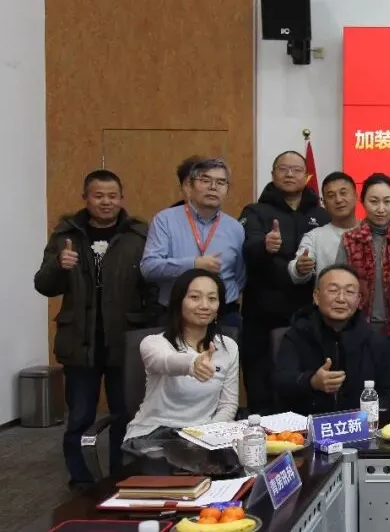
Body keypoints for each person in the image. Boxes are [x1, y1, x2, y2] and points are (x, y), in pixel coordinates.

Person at [34, 170, 158, 488]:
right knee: (80, 416)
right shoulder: (66, 235)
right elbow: (44, 285)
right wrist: (58, 266)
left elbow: (152, 287)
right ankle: (82, 480)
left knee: (126, 414)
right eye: (98, 195)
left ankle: (120, 476)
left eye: (112, 195)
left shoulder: (138, 236)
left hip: (125, 342)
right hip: (80, 343)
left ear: (122, 198)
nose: (106, 202)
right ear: (85, 199)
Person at [239, 151, 331, 412]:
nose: (290, 174)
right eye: (283, 169)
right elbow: (245, 248)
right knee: (261, 388)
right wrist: (264, 245)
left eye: (297, 169)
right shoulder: (255, 211)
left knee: (303, 384)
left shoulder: (321, 215)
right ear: (273, 174)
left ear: (307, 176)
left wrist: (304, 269)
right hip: (262, 316)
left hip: (307, 315)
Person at [124, 269, 239, 446]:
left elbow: (228, 406)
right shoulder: (154, 343)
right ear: (179, 302)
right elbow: (165, 361)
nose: (204, 305)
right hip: (153, 435)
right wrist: (192, 364)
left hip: (200, 437)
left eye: (212, 299)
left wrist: (207, 436)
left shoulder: (228, 347)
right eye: (195, 297)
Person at [275, 265, 390, 415]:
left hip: (360, 425)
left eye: (349, 292)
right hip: (308, 424)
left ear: (359, 300)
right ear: (316, 297)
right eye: (333, 290)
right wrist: (311, 381)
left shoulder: (374, 340)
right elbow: (282, 382)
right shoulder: (298, 335)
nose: (341, 299)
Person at [140, 157, 246, 328]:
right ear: (190, 186)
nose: (213, 187)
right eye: (205, 180)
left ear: (227, 189)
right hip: (175, 313)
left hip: (223, 314)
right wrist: (193, 264)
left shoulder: (235, 228)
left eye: (221, 182)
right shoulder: (165, 220)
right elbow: (149, 268)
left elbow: (239, 276)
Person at [342, 173, 390, 388]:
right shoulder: (349, 241)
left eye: (387, 201)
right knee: (359, 396)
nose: (381, 208)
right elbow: (341, 289)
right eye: (374, 201)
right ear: (362, 202)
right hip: (358, 333)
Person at [289, 172, 359, 284]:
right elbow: (296, 271)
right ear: (324, 203)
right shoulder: (314, 236)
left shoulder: (372, 231)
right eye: (331, 196)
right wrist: (299, 267)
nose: (338, 200)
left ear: (356, 196)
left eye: (343, 193)